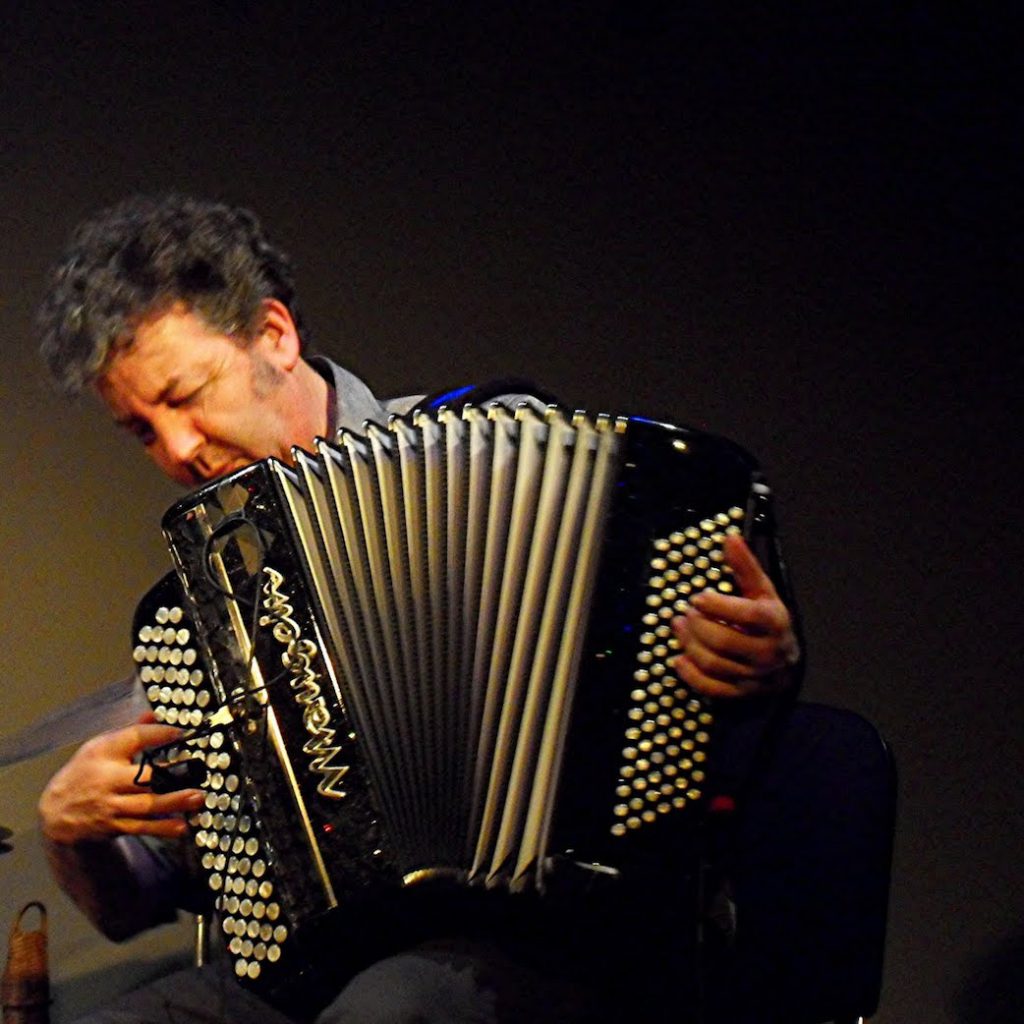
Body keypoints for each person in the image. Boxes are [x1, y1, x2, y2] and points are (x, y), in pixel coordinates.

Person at [35, 194, 801, 1024]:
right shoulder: (219, 595)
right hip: (315, 978)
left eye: (186, 394)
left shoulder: (503, 451)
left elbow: (710, 686)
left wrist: (757, 660)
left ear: (274, 336)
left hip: (553, 944)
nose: (177, 447)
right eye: (141, 430)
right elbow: (140, 899)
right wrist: (72, 835)